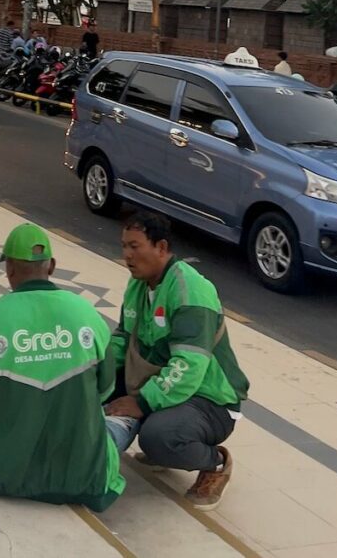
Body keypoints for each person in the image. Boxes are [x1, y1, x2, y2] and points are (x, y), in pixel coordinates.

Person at [0, 223, 126, 512]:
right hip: (80, 474)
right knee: (109, 424)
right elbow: (105, 391)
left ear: (10, 271)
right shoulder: (87, 314)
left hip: (5, 473)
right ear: (52, 266)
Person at [104, 212, 248, 511]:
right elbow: (123, 339)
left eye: (135, 246)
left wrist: (142, 403)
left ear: (161, 247)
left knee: (159, 437)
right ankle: (162, 430)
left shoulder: (190, 291)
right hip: (164, 383)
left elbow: (188, 367)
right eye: (124, 246)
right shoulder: (138, 284)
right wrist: (96, 373)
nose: (127, 255)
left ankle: (214, 462)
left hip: (209, 400)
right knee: (92, 387)